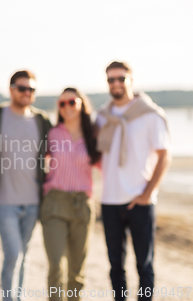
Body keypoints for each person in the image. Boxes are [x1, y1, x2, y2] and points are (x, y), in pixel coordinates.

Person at [97, 61, 171, 301]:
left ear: (131, 80)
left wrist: (147, 193)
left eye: (121, 78)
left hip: (140, 201)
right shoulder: (102, 117)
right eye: (111, 79)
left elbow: (164, 156)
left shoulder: (149, 114)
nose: (116, 83)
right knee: (115, 265)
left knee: (144, 264)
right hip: (109, 200)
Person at [0, 70, 52, 301]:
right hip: (4, 201)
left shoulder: (42, 121)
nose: (27, 93)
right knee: (13, 254)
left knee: (25, 255)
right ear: (11, 89)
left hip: (33, 202)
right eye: (22, 88)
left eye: (31, 89)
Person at [41, 87, 100, 301]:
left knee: (77, 270)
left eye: (71, 102)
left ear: (81, 104)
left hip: (82, 205)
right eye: (62, 103)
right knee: (56, 265)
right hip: (54, 203)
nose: (67, 107)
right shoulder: (52, 133)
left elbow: (108, 164)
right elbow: (30, 158)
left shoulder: (94, 134)